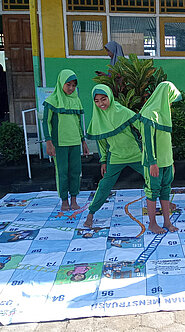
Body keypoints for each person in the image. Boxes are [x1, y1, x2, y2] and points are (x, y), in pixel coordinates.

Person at [83, 84, 143, 228]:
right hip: (115, 157)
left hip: (136, 154)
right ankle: (91, 213)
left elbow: (142, 125)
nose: (101, 104)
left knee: (154, 178)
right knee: (104, 185)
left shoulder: (123, 111)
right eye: (96, 101)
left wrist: (151, 148)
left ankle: (166, 202)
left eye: (103, 99)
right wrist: (103, 160)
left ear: (109, 97)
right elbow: (101, 143)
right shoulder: (98, 118)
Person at [43, 69, 90, 211]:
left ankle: (74, 199)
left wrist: (83, 141)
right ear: (61, 83)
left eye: (74, 85)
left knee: (76, 171)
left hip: (75, 142)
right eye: (68, 84)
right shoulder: (52, 101)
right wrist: (49, 142)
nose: (71, 88)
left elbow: (78, 123)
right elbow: (46, 122)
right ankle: (64, 200)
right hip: (59, 144)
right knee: (62, 171)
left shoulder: (76, 100)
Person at [140, 81, 181, 234]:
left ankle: (167, 221)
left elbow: (166, 142)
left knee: (165, 191)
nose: (171, 104)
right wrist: (152, 163)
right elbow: (148, 142)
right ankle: (152, 223)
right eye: (170, 99)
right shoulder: (150, 114)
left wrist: (171, 162)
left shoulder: (165, 114)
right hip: (154, 164)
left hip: (166, 162)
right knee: (152, 192)